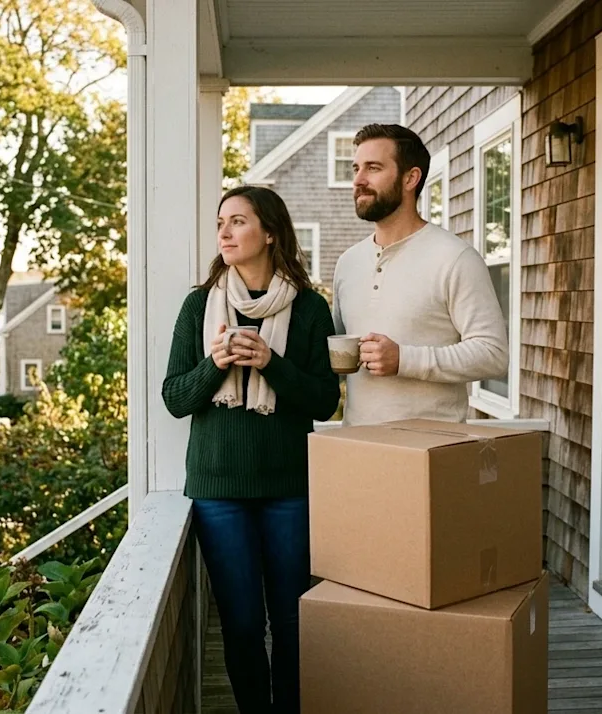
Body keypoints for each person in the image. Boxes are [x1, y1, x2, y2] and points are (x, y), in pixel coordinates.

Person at [162, 185, 340, 714]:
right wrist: (215, 363)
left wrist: (271, 363)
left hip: (289, 488)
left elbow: (325, 401)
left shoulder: (309, 309)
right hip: (219, 491)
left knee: (291, 621)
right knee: (241, 625)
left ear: (269, 232)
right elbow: (174, 398)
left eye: (238, 221)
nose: (224, 232)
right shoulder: (200, 305)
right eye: (221, 221)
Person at [331, 123, 509, 426]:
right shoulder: (348, 263)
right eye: (356, 168)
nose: (358, 180)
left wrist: (404, 359)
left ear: (410, 178)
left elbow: (492, 354)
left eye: (373, 168)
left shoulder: (455, 258)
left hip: (430, 451)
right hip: (358, 447)